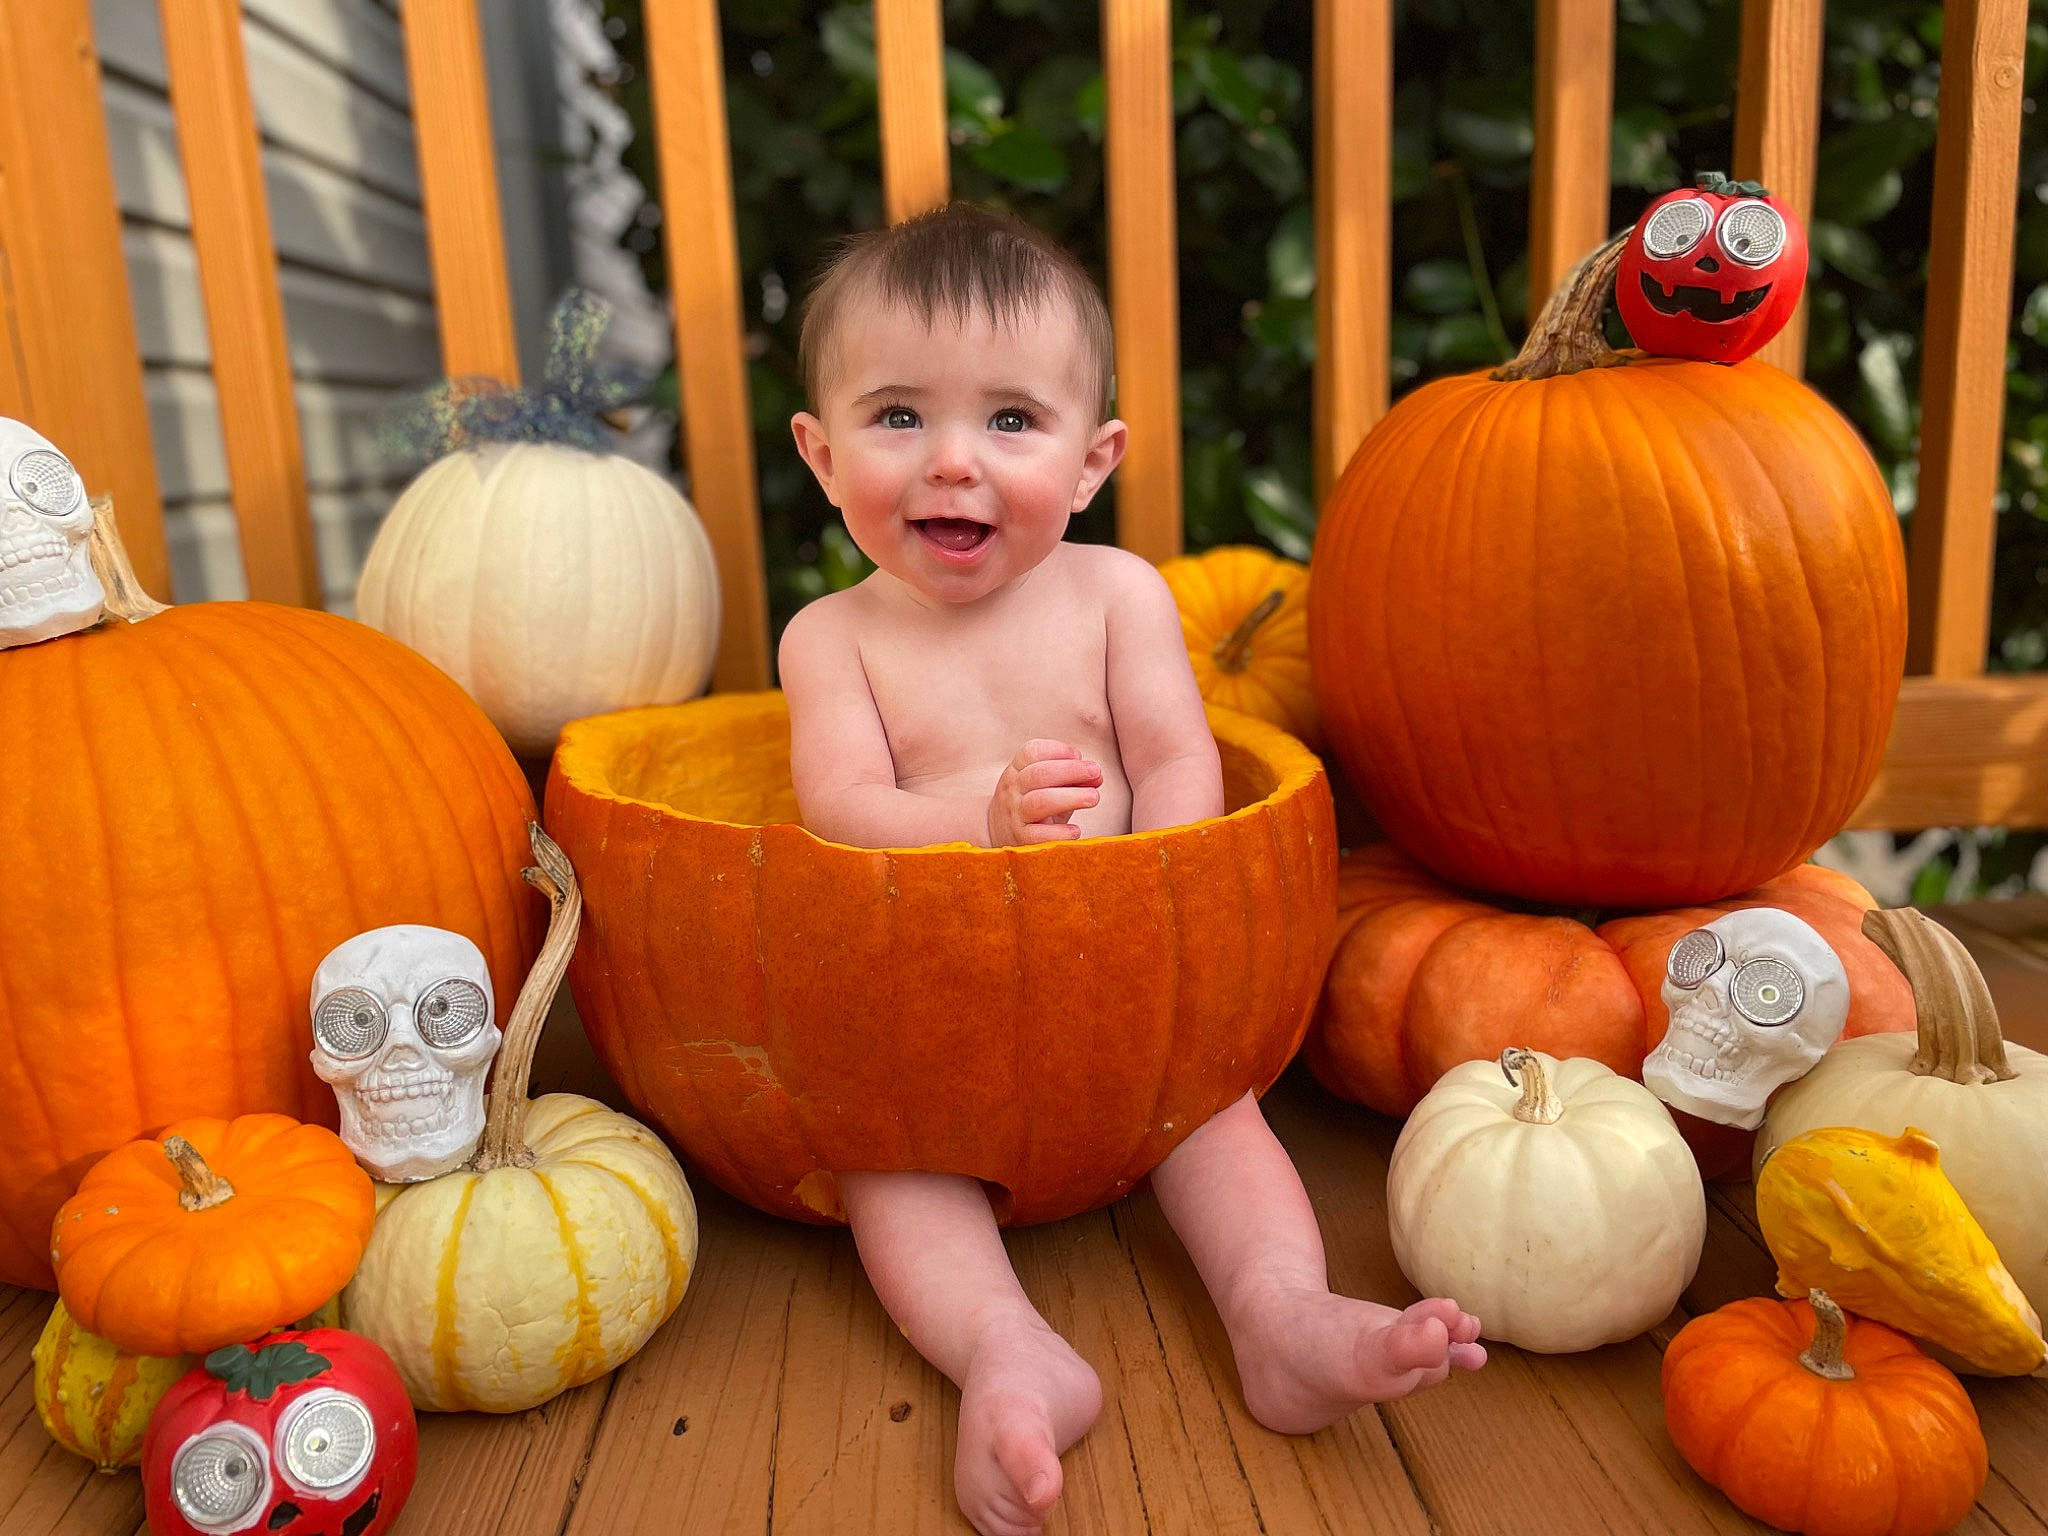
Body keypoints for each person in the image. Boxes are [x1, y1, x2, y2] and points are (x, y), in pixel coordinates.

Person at [779, 202, 1485, 1536]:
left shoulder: (1121, 599)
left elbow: (1177, 768)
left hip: (1121, 995)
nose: (950, 465)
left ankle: (1280, 1318)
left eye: (1007, 421)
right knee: (890, 1170)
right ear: (821, 455)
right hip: (931, 1006)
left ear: (1092, 458)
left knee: (1213, 1116)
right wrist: (977, 828)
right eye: (895, 418)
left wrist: (1143, 897)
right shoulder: (830, 638)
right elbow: (844, 808)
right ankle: (1006, 1350)